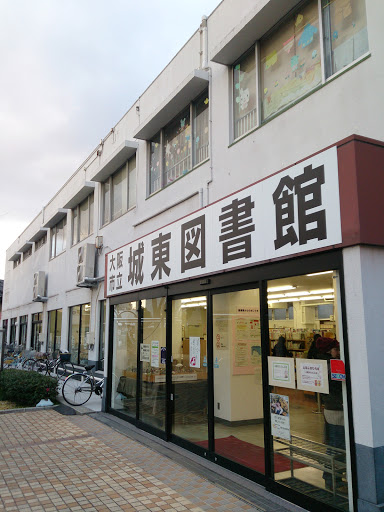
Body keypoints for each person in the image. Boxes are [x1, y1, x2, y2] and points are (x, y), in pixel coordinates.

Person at [316, 336, 346, 492]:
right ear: (330, 350)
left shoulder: (319, 364)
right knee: (337, 446)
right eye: (336, 349)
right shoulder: (332, 365)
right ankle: (333, 480)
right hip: (336, 409)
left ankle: (331, 477)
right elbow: (340, 385)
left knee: (333, 444)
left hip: (328, 407)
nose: (338, 352)